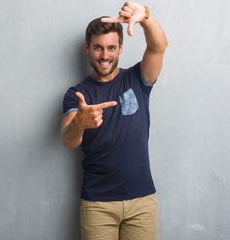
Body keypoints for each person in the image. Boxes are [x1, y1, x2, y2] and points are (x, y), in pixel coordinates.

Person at [61, 2, 168, 240]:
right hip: (97, 205)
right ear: (87, 48)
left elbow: (158, 47)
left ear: (120, 48)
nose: (105, 55)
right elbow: (68, 140)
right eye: (98, 48)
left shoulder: (137, 79)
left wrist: (146, 18)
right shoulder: (77, 95)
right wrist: (80, 123)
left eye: (111, 48)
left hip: (142, 203)